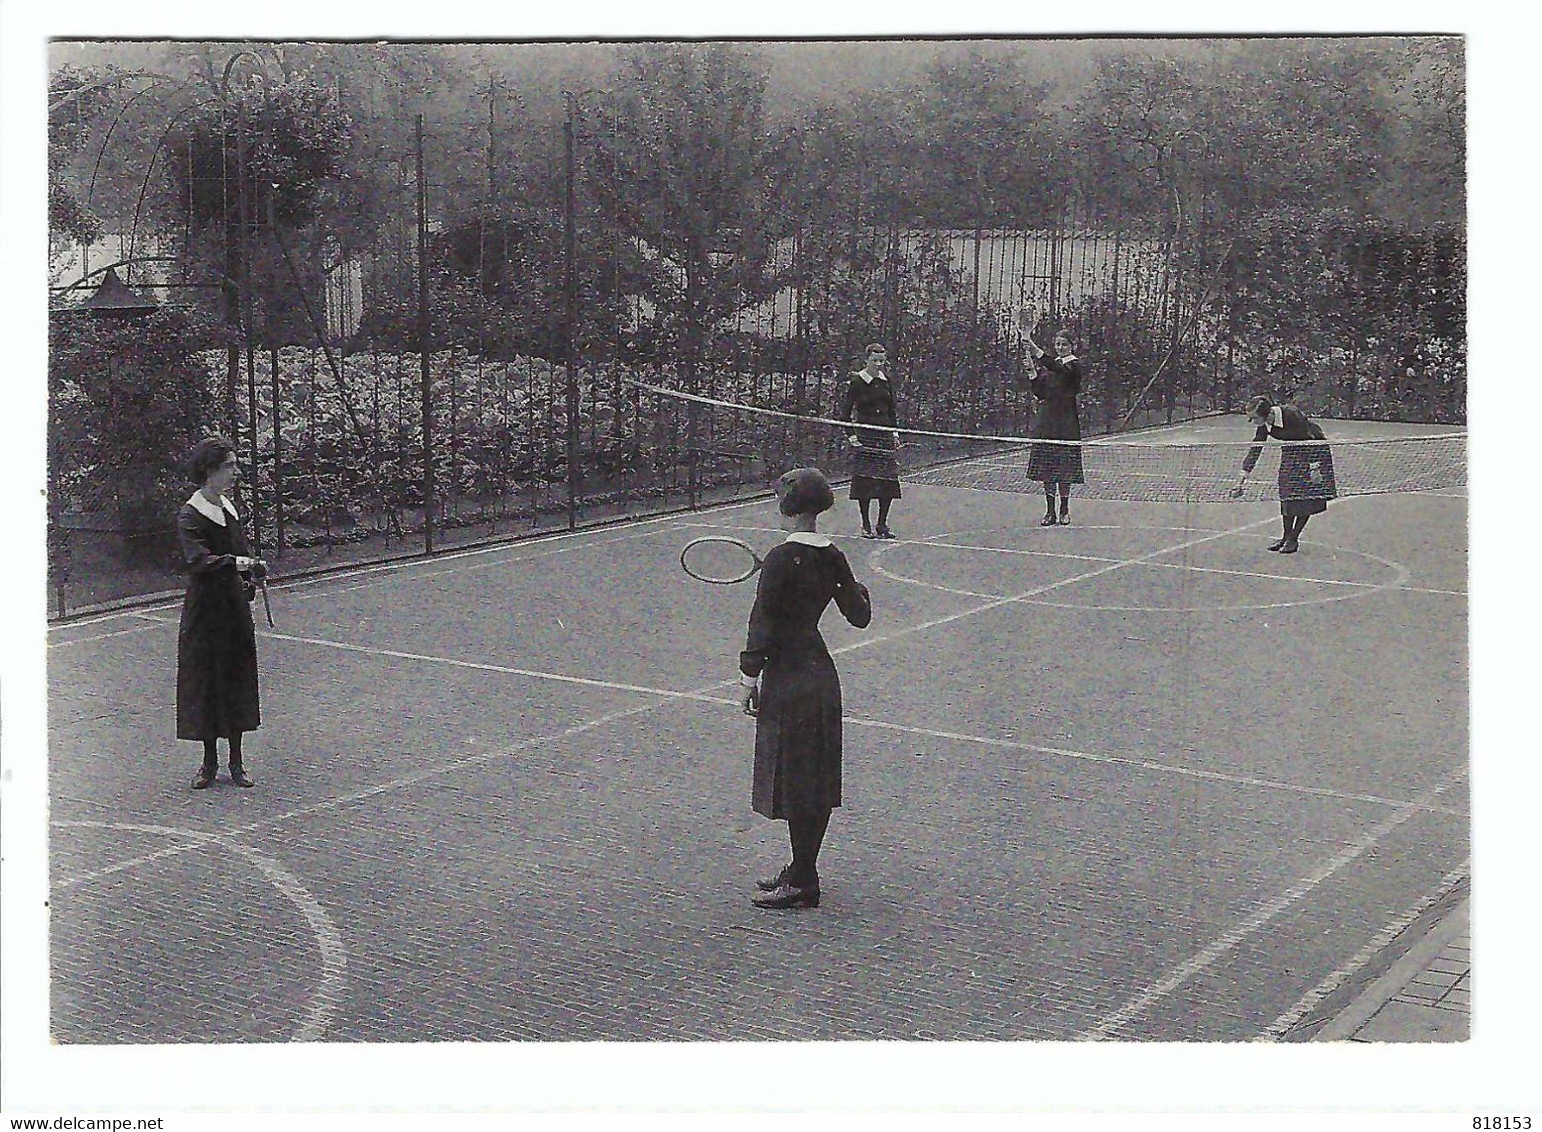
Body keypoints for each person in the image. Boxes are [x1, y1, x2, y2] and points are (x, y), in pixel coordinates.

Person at [738, 467, 872, 910]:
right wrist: (858, 589)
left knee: (794, 777)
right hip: (821, 675)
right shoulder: (831, 555)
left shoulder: (779, 558)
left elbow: (763, 623)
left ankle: (804, 879)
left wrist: (748, 677)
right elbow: (859, 614)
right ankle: (801, 868)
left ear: (786, 506)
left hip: (788, 677)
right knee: (813, 777)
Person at [177, 437, 266, 788]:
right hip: (206, 612)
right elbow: (198, 561)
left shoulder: (228, 507)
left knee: (236, 677)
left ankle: (237, 762)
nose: (235, 472)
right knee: (208, 680)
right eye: (229, 466)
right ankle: (208, 763)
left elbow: (238, 550)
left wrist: (249, 578)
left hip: (232, 606)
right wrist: (240, 563)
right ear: (210, 470)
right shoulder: (190, 514)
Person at [1230, 394, 1338, 553]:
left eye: (1254, 418)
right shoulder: (1264, 424)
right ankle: (1286, 537)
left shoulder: (1291, 414)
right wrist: (1241, 480)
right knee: (1287, 492)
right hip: (1292, 450)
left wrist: (1314, 468)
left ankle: (1293, 539)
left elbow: (1310, 439)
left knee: (1307, 496)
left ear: (1268, 414)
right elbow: (1256, 449)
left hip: (1315, 450)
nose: (1252, 422)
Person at [1021, 316, 1085, 525]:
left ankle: (1064, 509)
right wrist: (1032, 373)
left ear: (1072, 346)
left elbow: (1060, 371)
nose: (1060, 347)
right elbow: (1041, 392)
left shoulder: (1073, 366)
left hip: (1066, 423)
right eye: (1057, 344)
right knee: (1048, 469)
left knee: (1064, 470)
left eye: (1064, 344)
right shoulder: (1052, 367)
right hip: (1047, 422)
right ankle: (1050, 512)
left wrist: (1034, 349)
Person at [839, 343, 903, 539]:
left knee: (888, 482)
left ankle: (882, 525)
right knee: (865, 483)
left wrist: (894, 434)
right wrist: (852, 436)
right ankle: (865, 525)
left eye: (881, 361)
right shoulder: (857, 382)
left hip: (884, 438)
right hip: (865, 437)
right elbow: (845, 413)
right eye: (875, 360)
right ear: (866, 360)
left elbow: (891, 411)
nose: (878, 364)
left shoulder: (886, 381)